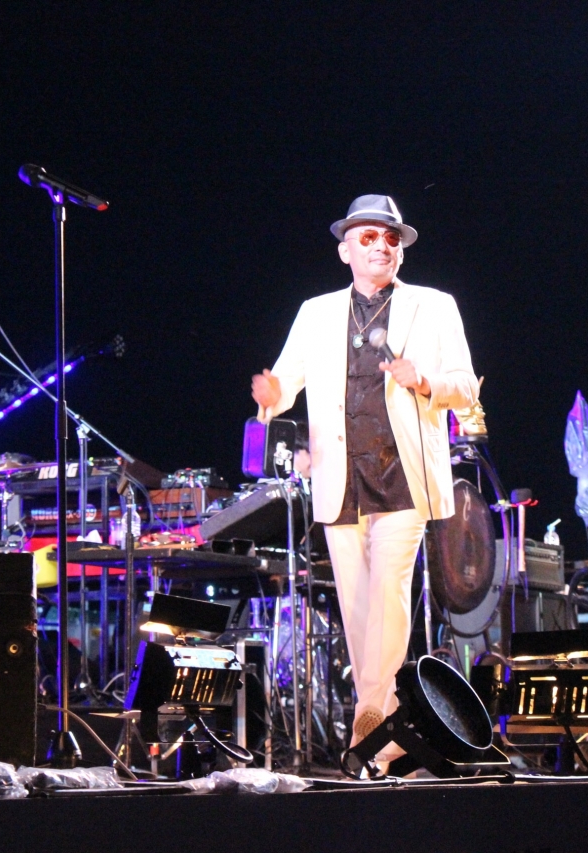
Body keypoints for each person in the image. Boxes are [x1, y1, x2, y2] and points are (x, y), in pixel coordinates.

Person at [251, 194, 479, 760]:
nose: (382, 246)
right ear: (345, 250)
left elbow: (465, 386)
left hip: (402, 473)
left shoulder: (434, 306)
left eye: (391, 238)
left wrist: (423, 380)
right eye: (369, 237)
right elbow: (284, 383)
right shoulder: (316, 312)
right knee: (357, 609)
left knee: (388, 598)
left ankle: (370, 722)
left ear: (401, 250)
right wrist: (271, 396)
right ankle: (388, 729)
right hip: (341, 477)